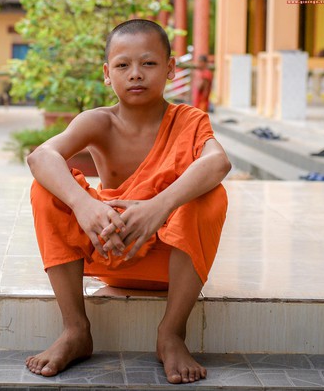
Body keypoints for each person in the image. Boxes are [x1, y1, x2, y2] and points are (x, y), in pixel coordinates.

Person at [25, 19, 231, 384]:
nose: (135, 74)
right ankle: (76, 330)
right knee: (45, 189)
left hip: (170, 264)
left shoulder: (189, 120)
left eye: (149, 64)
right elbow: (40, 157)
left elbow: (218, 162)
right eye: (123, 65)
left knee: (210, 195)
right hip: (110, 249)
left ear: (169, 69)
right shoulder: (98, 122)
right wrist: (83, 204)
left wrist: (159, 207)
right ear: (107, 74)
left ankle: (171, 333)